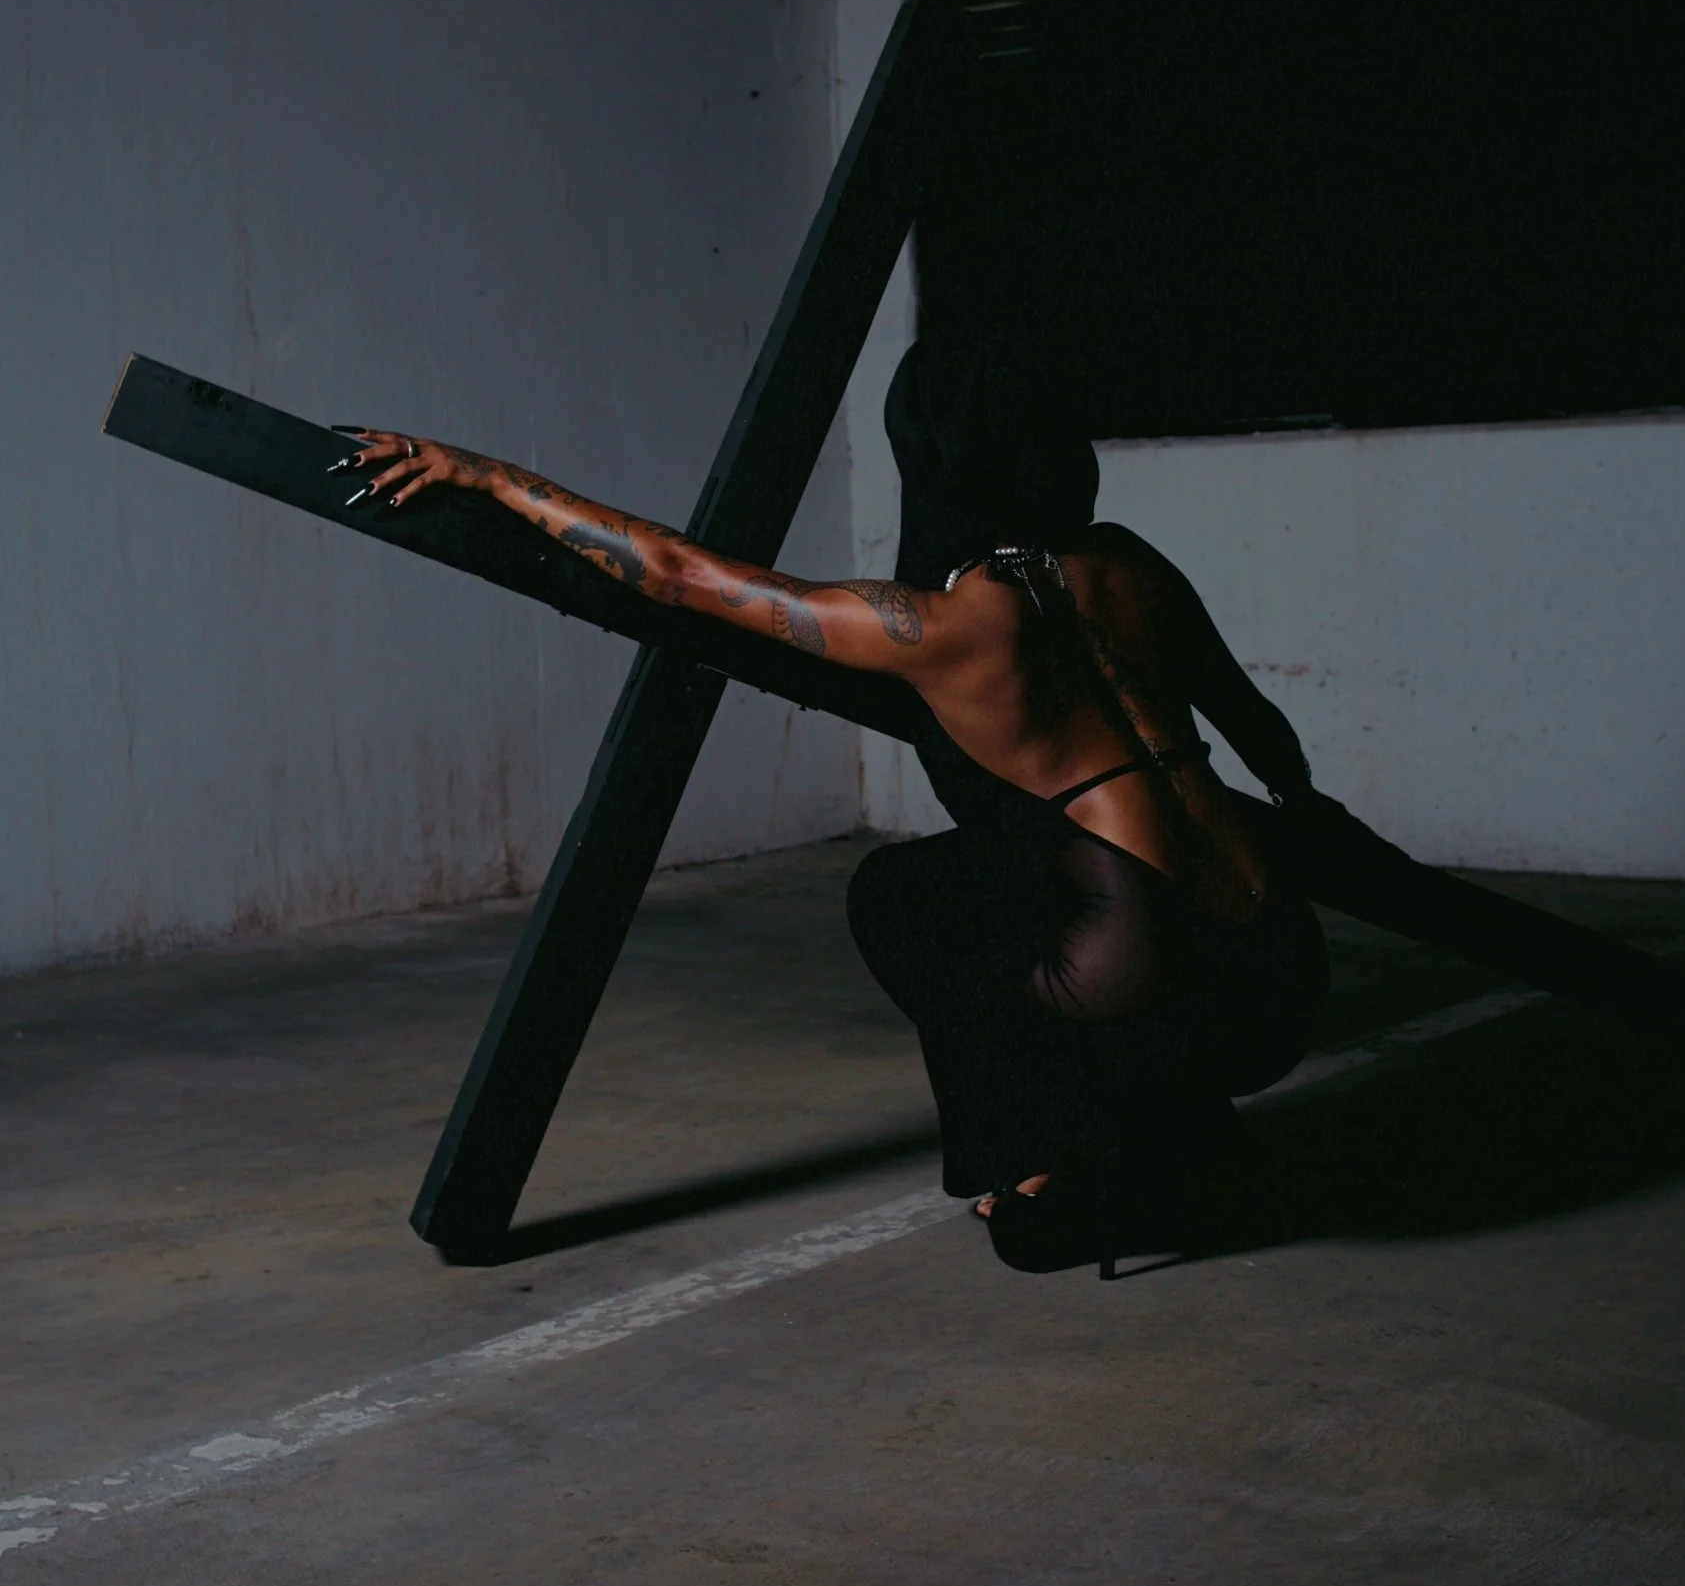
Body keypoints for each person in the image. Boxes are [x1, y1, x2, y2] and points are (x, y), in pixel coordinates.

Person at [342, 337, 1336, 1271]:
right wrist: (1307, 824)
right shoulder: (1134, 564)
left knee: (900, 900)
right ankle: (1177, 1122)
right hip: (1280, 972)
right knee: (1002, 871)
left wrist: (488, 476)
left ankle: (1057, 1163)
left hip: (1150, 974)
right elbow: (1264, 734)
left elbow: (678, 574)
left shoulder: (943, 624)